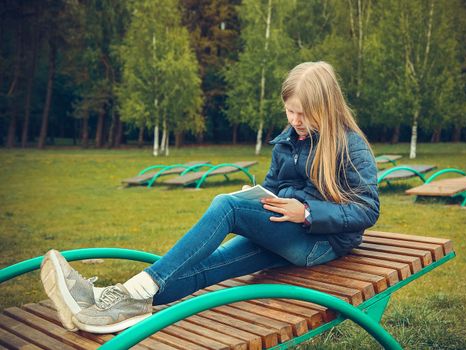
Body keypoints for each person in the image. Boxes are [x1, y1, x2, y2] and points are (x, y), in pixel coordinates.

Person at [40, 61, 380, 334]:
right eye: (290, 111)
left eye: (303, 114)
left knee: (226, 206)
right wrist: (261, 199)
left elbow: (367, 209)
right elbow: (275, 186)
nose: (294, 121)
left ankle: (140, 287)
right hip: (285, 228)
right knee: (211, 267)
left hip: (322, 242)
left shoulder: (351, 146)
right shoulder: (289, 140)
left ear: (325, 105)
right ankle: (111, 299)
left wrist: (306, 212)